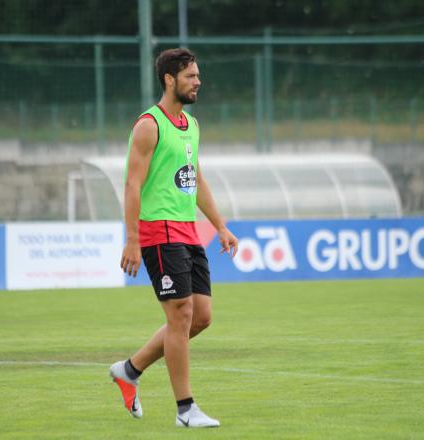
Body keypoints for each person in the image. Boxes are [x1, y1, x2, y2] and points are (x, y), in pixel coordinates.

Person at [110, 48, 238, 429]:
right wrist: (131, 239)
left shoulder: (191, 126)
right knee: (180, 314)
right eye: (191, 76)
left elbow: (195, 180)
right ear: (170, 79)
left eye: (198, 75)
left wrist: (220, 225)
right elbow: (132, 184)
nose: (198, 81)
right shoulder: (149, 125)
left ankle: (129, 370)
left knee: (200, 317)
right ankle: (186, 409)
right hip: (158, 231)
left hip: (187, 231)